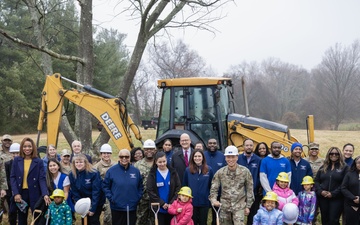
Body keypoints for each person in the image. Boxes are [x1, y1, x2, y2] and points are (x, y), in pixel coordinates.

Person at [209, 145, 254, 225]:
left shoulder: (245, 172)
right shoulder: (220, 172)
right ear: (225, 158)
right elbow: (214, 189)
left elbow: (250, 189)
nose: (230, 159)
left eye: (233, 157)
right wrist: (214, 200)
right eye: (228, 157)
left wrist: (248, 206)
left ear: (237, 157)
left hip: (239, 207)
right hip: (224, 207)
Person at [10, 137, 51, 225]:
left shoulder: (38, 162)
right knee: (22, 219)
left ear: (33, 147)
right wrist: (16, 193)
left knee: (36, 218)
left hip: (35, 193)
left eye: (29, 146)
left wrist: (45, 194)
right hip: (21, 194)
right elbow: (12, 177)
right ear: (22, 148)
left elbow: (42, 179)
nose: (27, 149)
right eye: (25, 146)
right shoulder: (17, 160)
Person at [102, 149, 143, 225]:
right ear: (119, 157)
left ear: (130, 157)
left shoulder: (135, 171)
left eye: (126, 157)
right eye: (122, 157)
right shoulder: (111, 171)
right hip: (117, 207)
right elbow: (105, 186)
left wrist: (137, 197)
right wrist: (112, 198)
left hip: (131, 207)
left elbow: (140, 186)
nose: (124, 159)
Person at [314, 147, 348, 225]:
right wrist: (320, 191)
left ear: (339, 155)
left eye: (336, 154)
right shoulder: (324, 167)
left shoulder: (344, 167)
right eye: (331, 153)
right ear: (328, 155)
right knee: (325, 219)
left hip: (337, 198)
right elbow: (316, 180)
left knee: (333, 220)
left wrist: (333, 194)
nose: (334, 155)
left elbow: (345, 184)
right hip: (323, 198)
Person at [69, 154, 105, 225]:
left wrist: (93, 208)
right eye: (77, 162)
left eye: (81, 162)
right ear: (74, 163)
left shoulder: (93, 173)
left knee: (93, 221)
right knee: (85, 221)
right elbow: (75, 191)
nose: (79, 164)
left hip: (96, 201)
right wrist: (81, 205)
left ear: (85, 163)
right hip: (83, 202)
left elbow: (96, 191)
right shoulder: (72, 175)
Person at [147, 152, 181, 225]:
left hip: (171, 207)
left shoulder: (173, 172)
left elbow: (178, 188)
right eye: (160, 162)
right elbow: (150, 190)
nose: (162, 164)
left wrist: (171, 203)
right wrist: (162, 203)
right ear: (156, 162)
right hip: (158, 208)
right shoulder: (153, 174)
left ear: (166, 160)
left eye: (164, 161)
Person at [183, 150, 213, 225]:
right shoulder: (187, 170)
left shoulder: (209, 170)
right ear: (192, 158)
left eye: (199, 156)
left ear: (203, 157)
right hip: (192, 203)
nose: (197, 158)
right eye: (195, 156)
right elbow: (185, 185)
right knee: (193, 222)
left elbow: (212, 186)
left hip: (204, 202)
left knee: (203, 222)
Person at [236, 138, 262, 225]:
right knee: (238, 217)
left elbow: (260, 175)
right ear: (243, 146)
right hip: (239, 194)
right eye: (247, 145)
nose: (249, 147)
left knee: (252, 217)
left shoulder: (258, 160)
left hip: (253, 193)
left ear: (253, 147)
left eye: (251, 145)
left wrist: (256, 186)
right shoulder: (238, 159)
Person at [134, 139, 157, 225]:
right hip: (142, 198)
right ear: (144, 150)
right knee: (140, 219)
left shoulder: (158, 163)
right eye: (147, 149)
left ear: (155, 150)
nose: (149, 151)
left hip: (155, 198)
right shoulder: (138, 165)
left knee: (154, 220)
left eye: (151, 149)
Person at [203, 138, 226, 225]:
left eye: (214, 143)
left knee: (216, 215)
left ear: (217, 145)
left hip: (218, 191)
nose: (212, 145)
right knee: (203, 214)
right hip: (205, 190)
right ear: (207, 145)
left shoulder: (222, 156)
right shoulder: (203, 155)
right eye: (210, 143)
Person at [341, 155, 360, 225]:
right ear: (355, 163)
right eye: (358, 162)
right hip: (350, 205)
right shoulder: (349, 174)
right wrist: (353, 198)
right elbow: (343, 188)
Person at [5, 143, 20, 225]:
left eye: (17, 153)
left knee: (21, 211)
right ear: (10, 154)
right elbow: (7, 179)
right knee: (12, 211)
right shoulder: (7, 164)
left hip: (21, 191)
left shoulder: (23, 163)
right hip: (11, 192)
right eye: (13, 153)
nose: (15, 155)